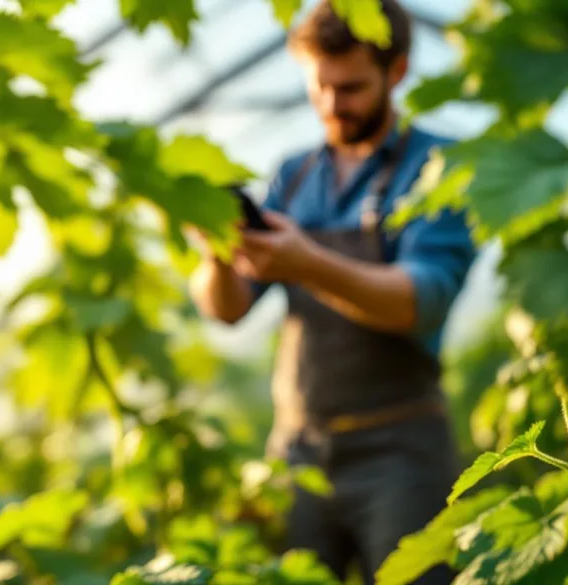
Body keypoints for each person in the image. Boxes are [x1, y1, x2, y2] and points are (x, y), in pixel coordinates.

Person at [187, 1, 477, 583]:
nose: (331, 105)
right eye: (320, 87)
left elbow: (420, 300)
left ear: (396, 74)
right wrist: (217, 250)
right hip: (297, 452)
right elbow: (227, 309)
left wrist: (308, 263)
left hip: (401, 452)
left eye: (350, 89)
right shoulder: (294, 175)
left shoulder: (441, 167)